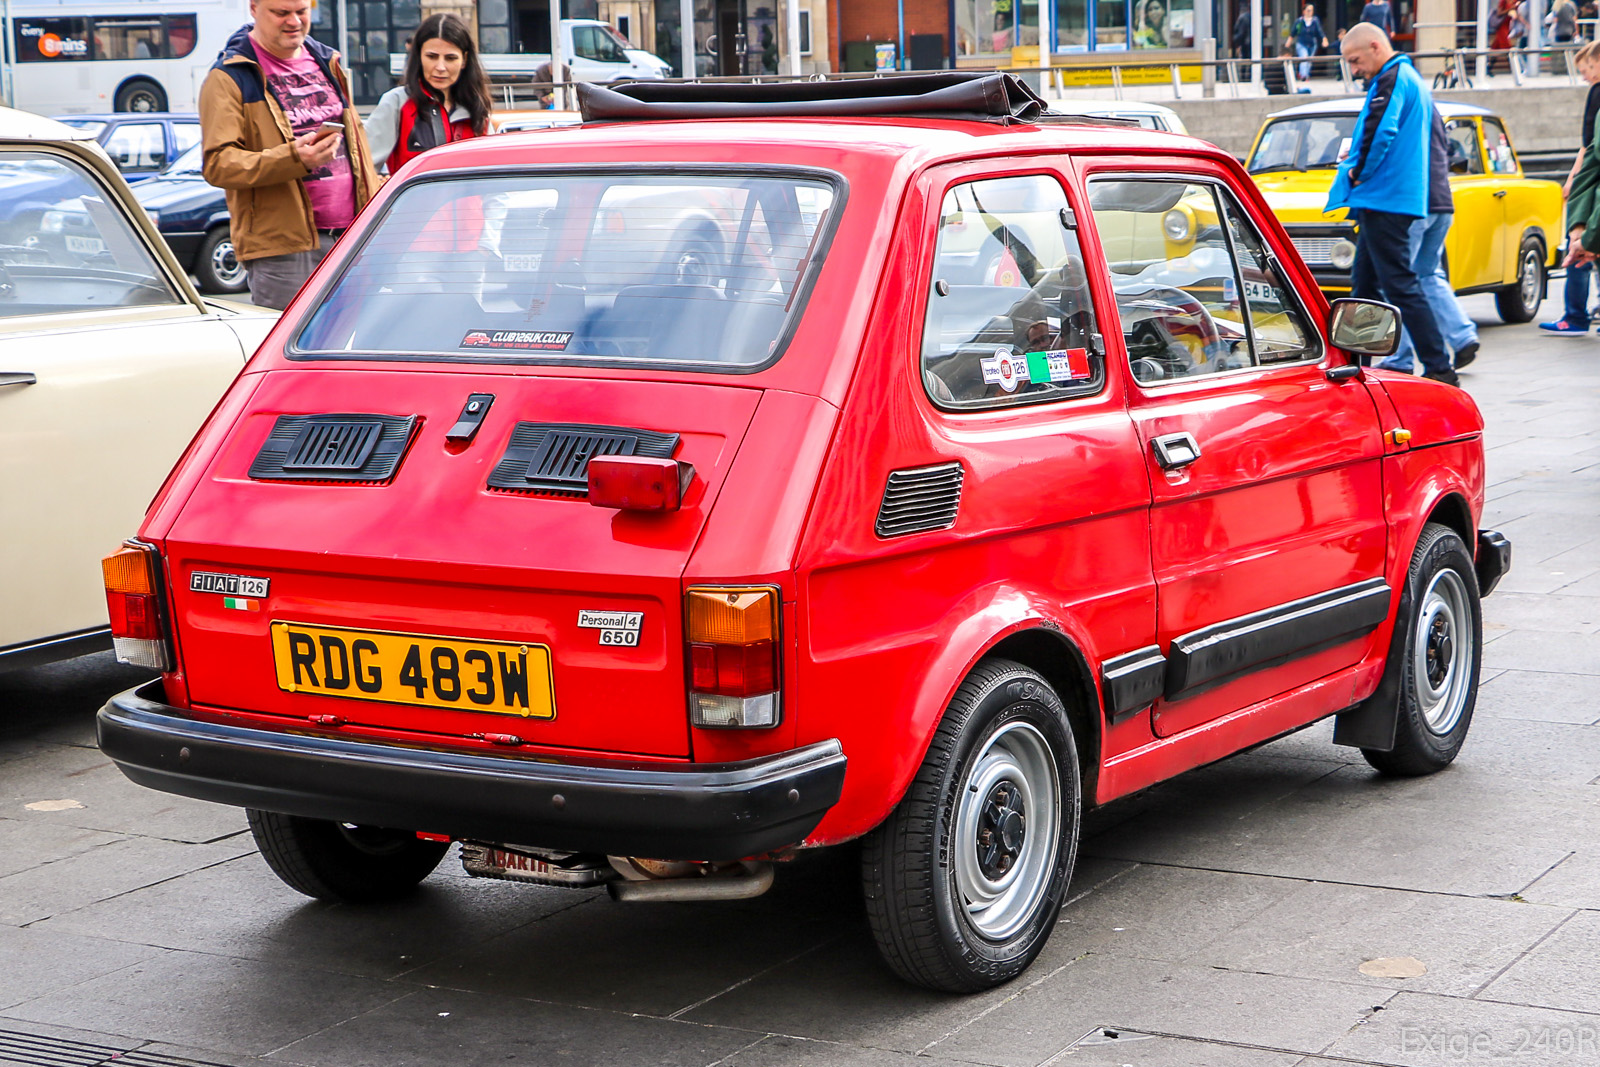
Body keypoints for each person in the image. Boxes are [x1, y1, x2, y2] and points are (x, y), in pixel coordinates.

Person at [199, 0, 379, 310]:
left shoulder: (328, 60)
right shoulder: (228, 75)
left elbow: (357, 148)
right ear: (254, 8)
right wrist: (293, 159)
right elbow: (218, 164)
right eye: (281, 13)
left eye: (302, 11)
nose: (293, 21)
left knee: (350, 352)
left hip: (353, 237)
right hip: (283, 251)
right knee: (292, 356)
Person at [1328, 23, 1457, 385]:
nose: (1354, 70)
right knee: (1366, 283)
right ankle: (1361, 363)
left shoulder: (1391, 78)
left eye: (1355, 60)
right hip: (1390, 198)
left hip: (1385, 197)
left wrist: (1357, 173)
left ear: (1375, 46)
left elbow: (1378, 130)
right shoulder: (1410, 77)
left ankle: (1439, 367)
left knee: (1399, 284)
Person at [1378, 107, 1480, 373]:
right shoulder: (1430, 109)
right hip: (1442, 202)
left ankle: (1399, 357)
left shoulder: (1400, 105)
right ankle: (1462, 336)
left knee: (1399, 278)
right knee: (1428, 273)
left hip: (1414, 203)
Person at [365, 13, 491, 176]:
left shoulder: (477, 108)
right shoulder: (397, 102)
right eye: (432, 56)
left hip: (472, 202)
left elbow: (493, 179)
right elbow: (365, 168)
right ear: (419, 56)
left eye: (450, 58)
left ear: (464, 60)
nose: (440, 67)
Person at [1542, 39, 1600, 332]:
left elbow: (1588, 148)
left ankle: (1575, 315)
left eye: (1588, 67)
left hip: (1591, 184)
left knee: (1578, 245)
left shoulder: (1596, 95)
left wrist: (1573, 181)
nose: (1586, 75)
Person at [1291, 4, 1328, 81]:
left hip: (1312, 44)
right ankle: (1303, 76)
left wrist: (1324, 39)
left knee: (1309, 60)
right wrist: (1287, 44)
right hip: (1301, 43)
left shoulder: (1315, 21)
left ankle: (1306, 75)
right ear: (1304, 11)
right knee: (1304, 57)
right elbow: (1293, 33)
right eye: (1308, 10)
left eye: (1311, 10)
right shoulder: (1299, 21)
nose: (1310, 12)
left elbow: (1319, 31)